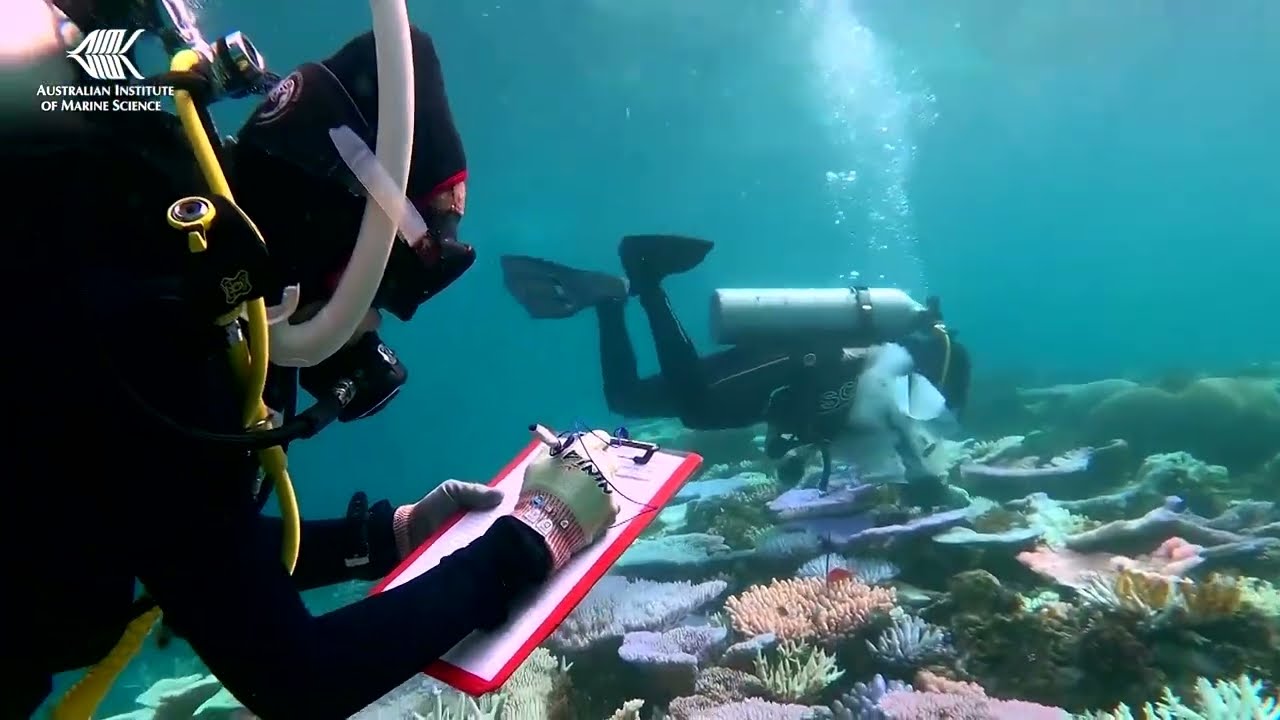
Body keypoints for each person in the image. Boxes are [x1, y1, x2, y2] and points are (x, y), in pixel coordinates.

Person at [6, 6, 616, 719]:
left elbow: (192, 545)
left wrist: (389, 535)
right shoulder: (151, 323)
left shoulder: (143, 270)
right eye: (389, 286)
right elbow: (298, 679)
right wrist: (536, 540)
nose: (380, 321)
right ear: (346, 233)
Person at [500, 235, 972, 486]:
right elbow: (843, 402)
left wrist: (796, 449)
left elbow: (829, 417)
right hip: (790, 363)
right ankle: (647, 274)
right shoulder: (893, 380)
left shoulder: (894, 403)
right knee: (698, 404)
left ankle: (610, 302)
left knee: (628, 399)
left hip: (775, 386)